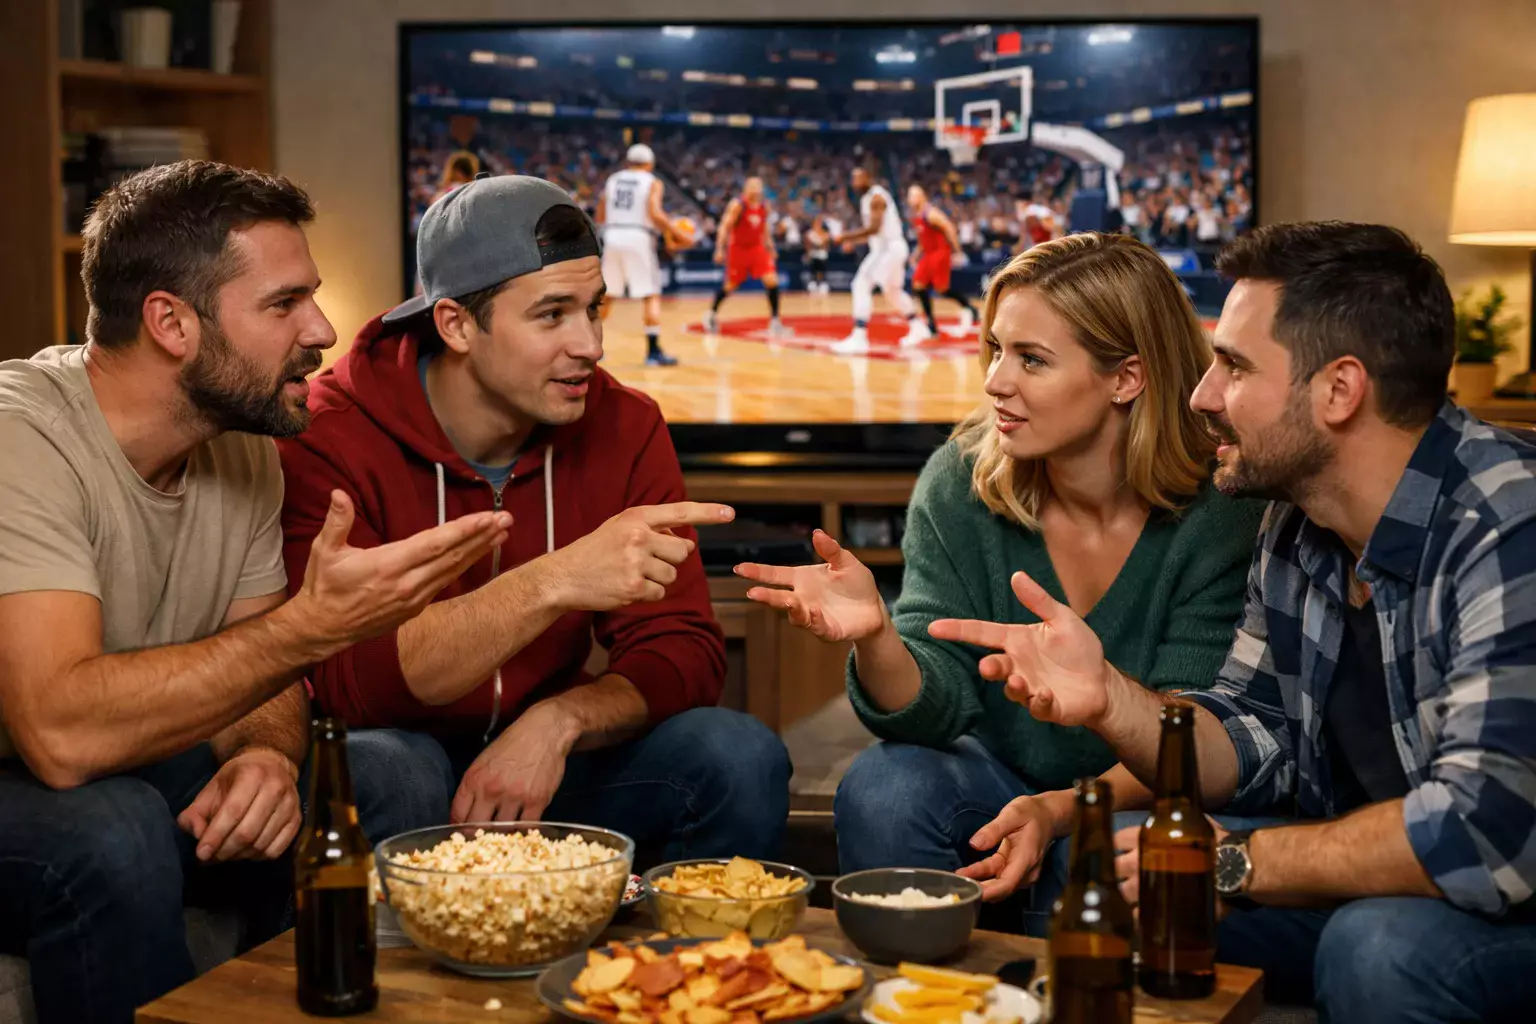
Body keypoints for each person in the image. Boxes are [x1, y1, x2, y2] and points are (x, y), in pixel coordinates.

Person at [939, 222, 1536, 1019]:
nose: (1199, 396)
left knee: (1380, 946)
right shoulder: (1296, 523)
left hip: (1511, 894)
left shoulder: (1507, 521)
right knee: (1109, 870)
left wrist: (1238, 862)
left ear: (1339, 390)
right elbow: (1254, 738)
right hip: (1384, 880)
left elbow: (1481, 826)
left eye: (1233, 366)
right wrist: (1110, 697)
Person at [0, 161, 510, 1024]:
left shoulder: (242, 444)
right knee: (113, 826)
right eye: (284, 304)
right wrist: (313, 629)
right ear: (170, 322)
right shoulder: (23, 439)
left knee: (393, 771)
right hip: (36, 774)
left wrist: (265, 754)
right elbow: (58, 734)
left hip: (126, 761)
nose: (323, 326)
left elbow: (262, 682)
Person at [736, 232, 1263, 933]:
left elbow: (1193, 738)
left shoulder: (1221, 507)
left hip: (1154, 799)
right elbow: (933, 709)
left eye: (1032, 360)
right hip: (1004, 789)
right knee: (886, 785)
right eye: (995, 351)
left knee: (1175, 868)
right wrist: (878, 637)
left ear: (1125, 379)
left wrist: (1058, 813)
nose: (994, 382)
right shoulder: (960, 480)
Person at [277, 174, 791, 865]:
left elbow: (684, 649)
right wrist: (553, 580)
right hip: (399, 762)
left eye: (594, 309)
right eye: (552, 315)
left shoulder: (626, 424)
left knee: (737, 753)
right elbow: (356, 687)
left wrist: (562, 719)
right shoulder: (327, 433)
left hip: (546, 766)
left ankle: (679, 970)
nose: (591, 345)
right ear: (456, 323)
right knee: (388, 766)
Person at [595, 144, 680, 367]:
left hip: (612, 236)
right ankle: (653, 352)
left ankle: (590, 346)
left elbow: (601, 214)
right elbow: (654, 211)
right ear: (650, 164)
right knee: (650, 294)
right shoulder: (652, 181)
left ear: (627, 162)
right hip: (638, 236)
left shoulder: (613, 179)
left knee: (607, 295)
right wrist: (675, 231)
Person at [831, 166, 925, 354]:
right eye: (853, 178)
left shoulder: (876, 197)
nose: (855, 182)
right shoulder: (867, 198)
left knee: (860, 283)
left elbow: (874, 228)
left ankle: (859, 337)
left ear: (868, 178)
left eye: (859, 178)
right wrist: (854, 241)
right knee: (893, 292)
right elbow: (875, 232)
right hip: (890, 248)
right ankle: (918, 326)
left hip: (888, 249)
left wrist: (846, 237)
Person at [705, 177, 787, 338]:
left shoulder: (764, 207)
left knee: (772, 280)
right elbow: (724, 226)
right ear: (746, 189)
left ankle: (775, 320)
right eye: (752, 187)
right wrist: (719, 249)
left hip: (757, 248)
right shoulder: (738, 205)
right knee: (731, 285)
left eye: (758, 187)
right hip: (738, 249)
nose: (755, 190)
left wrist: (771, 247)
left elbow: (764, 229)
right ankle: (711, 314)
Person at [906, 184, 979, 338]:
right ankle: (931, 324)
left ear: (922, 197)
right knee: (918, 285)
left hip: (939, 253)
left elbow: (949, 228)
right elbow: (923, 238)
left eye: (914, 195)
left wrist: (957, 251)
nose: (911, 199)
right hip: (928, 254)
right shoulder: (917, 215)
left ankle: (970, 308)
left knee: (941, 289)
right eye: (910, 196)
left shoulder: (931, 213)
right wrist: (916, 254)